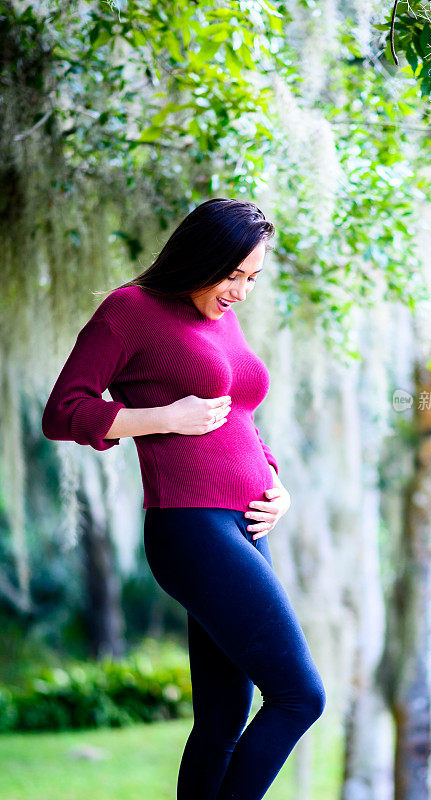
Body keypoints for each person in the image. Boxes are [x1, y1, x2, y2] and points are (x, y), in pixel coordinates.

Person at [41, 198, 326, 800]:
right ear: (202, 256)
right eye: (233, 274)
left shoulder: (220, 313)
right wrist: (159, 416)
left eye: (252, 277)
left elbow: (237, 411)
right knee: (300, 697)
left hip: (246, 525)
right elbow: (62, 412)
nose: (242, 291)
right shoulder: (129, 311)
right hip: (191, 528)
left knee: (223, 719)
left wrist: (275, 482)